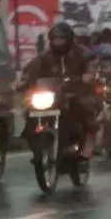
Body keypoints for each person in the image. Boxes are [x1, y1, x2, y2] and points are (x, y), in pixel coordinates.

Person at [18, 22, 98, 160]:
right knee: (29, 108)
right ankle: (38, 145)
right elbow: (31, 71)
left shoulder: (84, 54)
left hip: (77, 92)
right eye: (55, 39)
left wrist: (87, 77)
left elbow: (92, 71)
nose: (58, 43)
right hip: (53, 94)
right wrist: (22, 82)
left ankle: (87, 145)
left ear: (69, 40)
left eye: (61, 39)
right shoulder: (44, 57)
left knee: (85, 106)